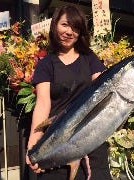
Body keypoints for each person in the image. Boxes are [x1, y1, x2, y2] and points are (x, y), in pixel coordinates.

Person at [26, 5, 112, 180]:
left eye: (76, 28)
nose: (69, 31)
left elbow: (105, 84)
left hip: (90, 136)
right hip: (57, 140)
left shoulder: (89, 58)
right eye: (65, 24)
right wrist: (34, 141)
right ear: (55, 24)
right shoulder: (46, 64)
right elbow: (43, 103)